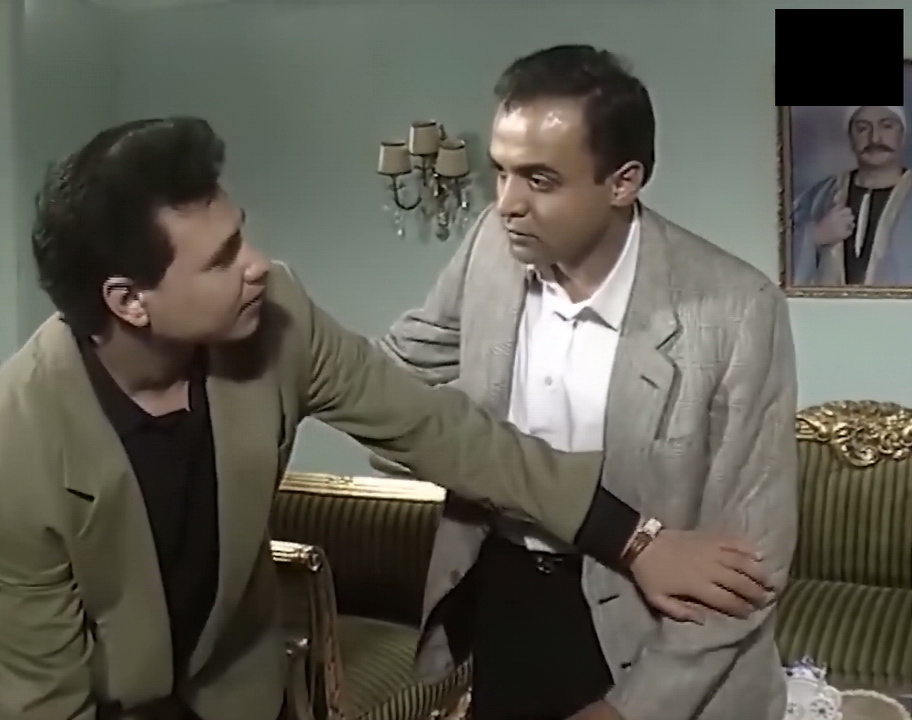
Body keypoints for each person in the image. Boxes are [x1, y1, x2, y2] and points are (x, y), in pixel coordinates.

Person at [0, 117, 771, 720]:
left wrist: (633, 537)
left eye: (242, 235)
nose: (256, 265)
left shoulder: (277, 319)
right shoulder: (19, 441)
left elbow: (441, 430)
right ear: (128, 301)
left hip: (245, 696)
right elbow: (43, 692)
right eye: (221, 258)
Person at [376, 45, 798, 720]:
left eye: (539, 180)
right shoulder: (489, 248)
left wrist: (632, 709)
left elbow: (751, 562)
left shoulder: (737, 310)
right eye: (500, 172)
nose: (507, 205)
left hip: (651, 625)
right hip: (505, 596)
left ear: (623, 182)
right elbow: (390, 378)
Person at [791, 104, 912, 286]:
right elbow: (777, 259)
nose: (875, 138)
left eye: (887, 126)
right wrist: (815, 236)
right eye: (862, 129)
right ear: (850, 138)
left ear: (902, 135)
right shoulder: (818, 197)